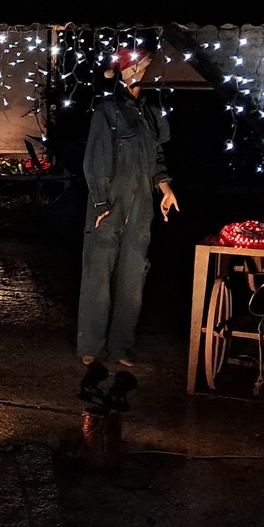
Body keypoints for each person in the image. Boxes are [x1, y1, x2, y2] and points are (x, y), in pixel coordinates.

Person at [77, 46, 178, 368]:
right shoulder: (107, 111)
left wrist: (165, 188)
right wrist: (101, 202)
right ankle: (91, 345)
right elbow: (96, 159)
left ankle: (121, 346)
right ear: (130, 72)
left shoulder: (150, 111)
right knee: (98, 275)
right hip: (110, 204)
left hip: (142, 204)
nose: (150, 73)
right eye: (145, 68)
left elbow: (157, 156)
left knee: (133, 276)